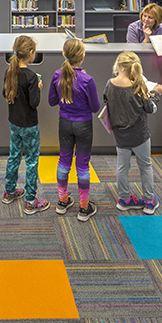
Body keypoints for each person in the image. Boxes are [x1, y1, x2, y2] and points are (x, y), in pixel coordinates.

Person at [105, 51, 162, 214]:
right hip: (140, 135)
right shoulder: (138, 86)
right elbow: (150, 108)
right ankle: (149, 201)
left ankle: (124, 199)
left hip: (120, 134)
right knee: (145, 166)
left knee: (122, 166)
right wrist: (155, 94)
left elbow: (107, 101)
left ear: (118, 65)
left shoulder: (110, 84)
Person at [48, 38, 99, 222]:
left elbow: (52, 101)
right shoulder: (88, 79)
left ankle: (62, 201)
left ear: (64, 54)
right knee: (83, 165)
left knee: (63, 161)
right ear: (83, 57)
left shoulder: (57, 75)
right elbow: (95, 107)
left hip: (64, 123)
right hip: (84, 125)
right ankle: (84, 207)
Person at [3, 34, 49, 214]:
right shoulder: (31, 77)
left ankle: (9, 191)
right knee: (31, 160)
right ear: (31, 54)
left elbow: (4, 93)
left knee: (14, 155)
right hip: (29, 125)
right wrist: (38, 88)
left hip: (13, 122)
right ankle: (30, 200)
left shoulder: (9, 72)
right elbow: (34, 103)